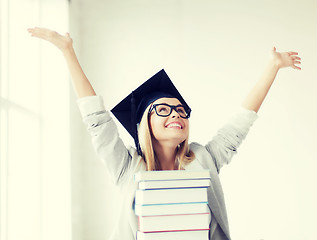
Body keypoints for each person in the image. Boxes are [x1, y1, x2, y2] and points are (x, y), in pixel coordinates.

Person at [28, 27, 301, 240]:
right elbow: (97, 121)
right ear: (145, 123)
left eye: (181, 111)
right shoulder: (128, 167)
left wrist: (272, 67)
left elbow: (238, 125)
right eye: (164, 110)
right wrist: (67, 51)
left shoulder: (203, 160)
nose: (176, 115)